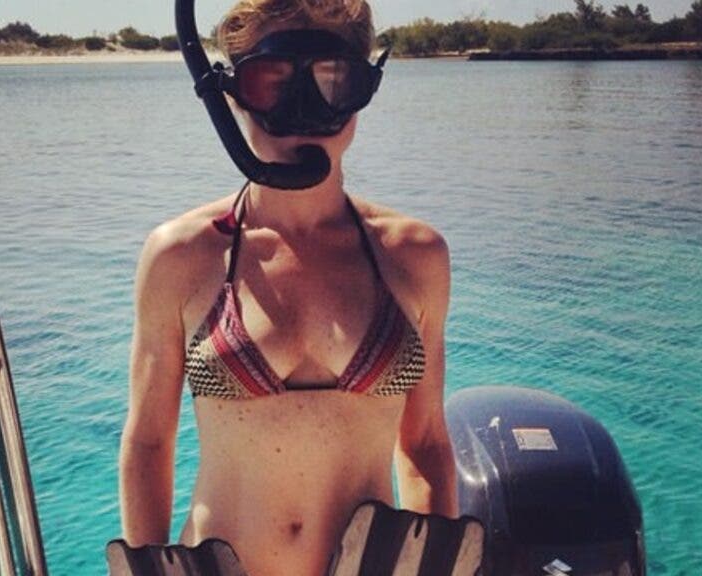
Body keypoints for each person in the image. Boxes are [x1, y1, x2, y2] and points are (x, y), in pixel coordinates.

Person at [118, 1, 458, 574]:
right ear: (232, 94)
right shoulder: (182, 255)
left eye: (330, 81)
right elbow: (149, 442)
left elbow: (424, 443)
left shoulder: (414, 256)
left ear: (362, 88)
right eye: (272, 83)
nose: (303, 113)